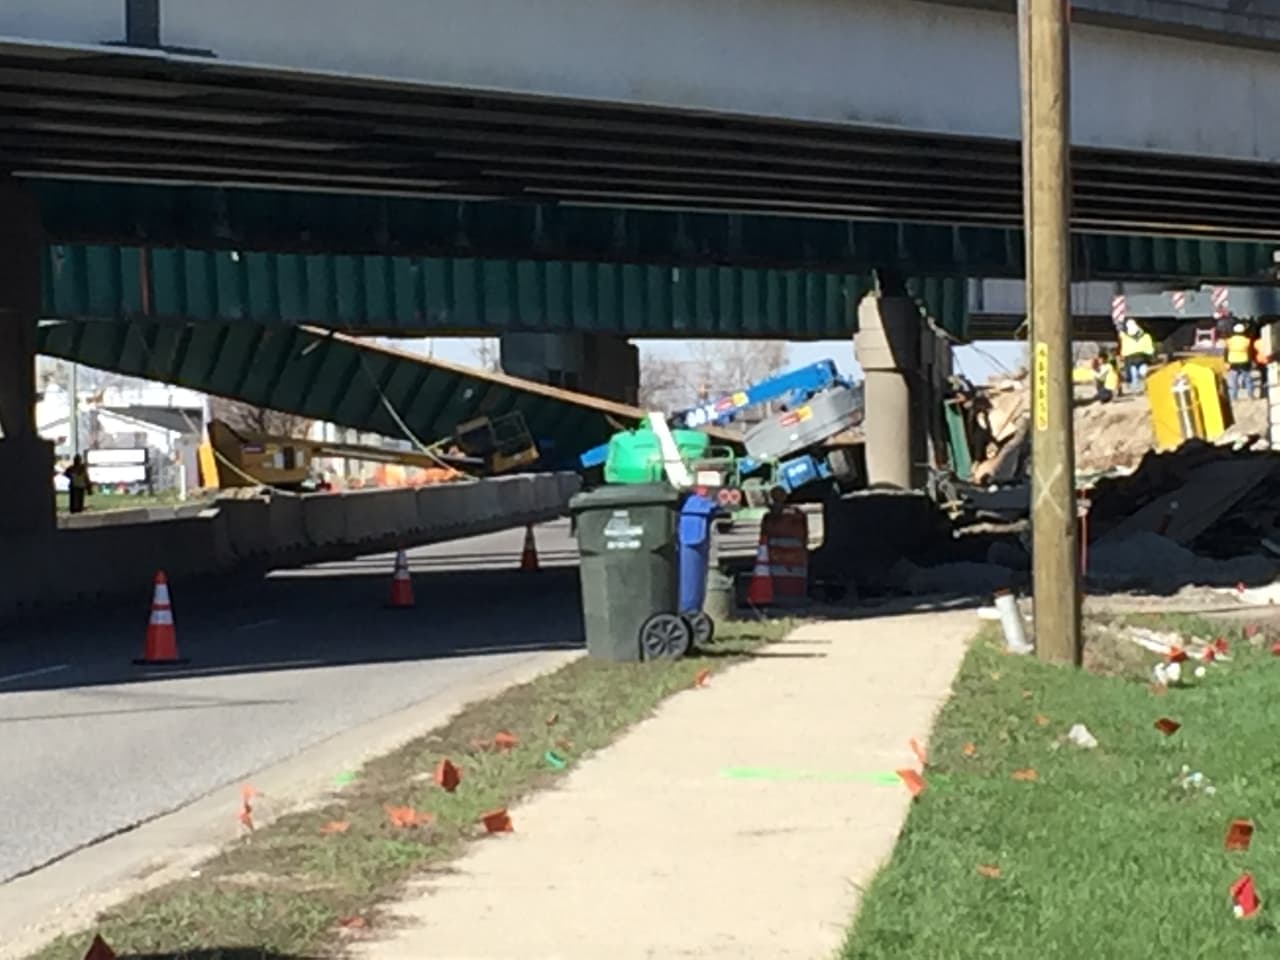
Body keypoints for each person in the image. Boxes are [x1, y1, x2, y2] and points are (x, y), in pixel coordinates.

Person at [1118, 319, 1155, 390]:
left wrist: (1119, 324)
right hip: (1140, 358)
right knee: (1140, 372)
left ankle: (1136, 387)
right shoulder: (1145, 336)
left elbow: (1121, 334)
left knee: (1135, 373)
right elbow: (1150, 350)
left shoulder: (1126, 337)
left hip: (1133, 359)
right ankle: (1138, 386)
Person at [1224, 323, 1255, 401]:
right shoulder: (1247, 340)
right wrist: (1251, 362)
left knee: (1234, 381)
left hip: (1233, 362)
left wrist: (1226, 362)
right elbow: (1249, 352)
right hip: (1244, 362)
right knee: (1248, 380)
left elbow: (1226, 352)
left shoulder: (1229, 340)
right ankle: (1250, 395)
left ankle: (1234, 397)